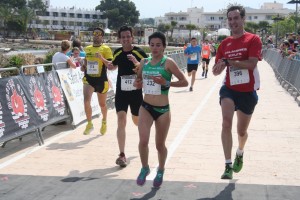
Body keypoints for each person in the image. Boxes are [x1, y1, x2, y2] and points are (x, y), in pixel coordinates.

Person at [212, 5, 262, 180]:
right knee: (226, 123)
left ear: (243, 19)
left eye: (236, 18)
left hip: (247, 91)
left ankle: (240, 152)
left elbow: (252, 64)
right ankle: (227, 165)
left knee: (241, 131)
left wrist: (231, 62)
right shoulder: (224, 44)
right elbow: (216, 69)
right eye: (230, 19)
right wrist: (218, 67)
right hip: (229, 89)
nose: (233, 22)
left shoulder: (253, 39)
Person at [134, 32, 188, 187]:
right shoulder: (144, 62)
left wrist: (166, 83)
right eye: (152, 45)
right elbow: (138, 81)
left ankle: (161, 169)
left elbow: (184, 82)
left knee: (159, 145)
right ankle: (144, 168)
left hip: (163, 110)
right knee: (143, 141)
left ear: (164, 46)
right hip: (146, 107)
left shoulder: (168, 62)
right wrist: (138, 84)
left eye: (158, 45)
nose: (155, 48)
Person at [99, 25, 148, 167]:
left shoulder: (139, 52)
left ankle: (143, 142)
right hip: (121, 92)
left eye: (128, 36)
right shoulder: (118, 52)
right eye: (123, 37)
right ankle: (122, 154)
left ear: (132, 37)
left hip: (135, 92)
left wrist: (136, 63)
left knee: (136, 121)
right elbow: (112, 66)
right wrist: (104, 60)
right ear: (120, 39)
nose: (126, 39)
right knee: (121, 120)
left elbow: (148, 65)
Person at [81, 27, 113, 135]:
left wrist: (101, 58)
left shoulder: (106, 49)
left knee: (102, 104)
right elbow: (86, 60)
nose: (96, 35)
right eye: (94, 33)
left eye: (99, 34)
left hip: (101, 79)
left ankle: (104, 121)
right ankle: (89, 124)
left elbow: (110, 65)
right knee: (86, 101)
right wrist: (84, 66)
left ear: (102, 37)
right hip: (89, 79)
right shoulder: (88, 48)